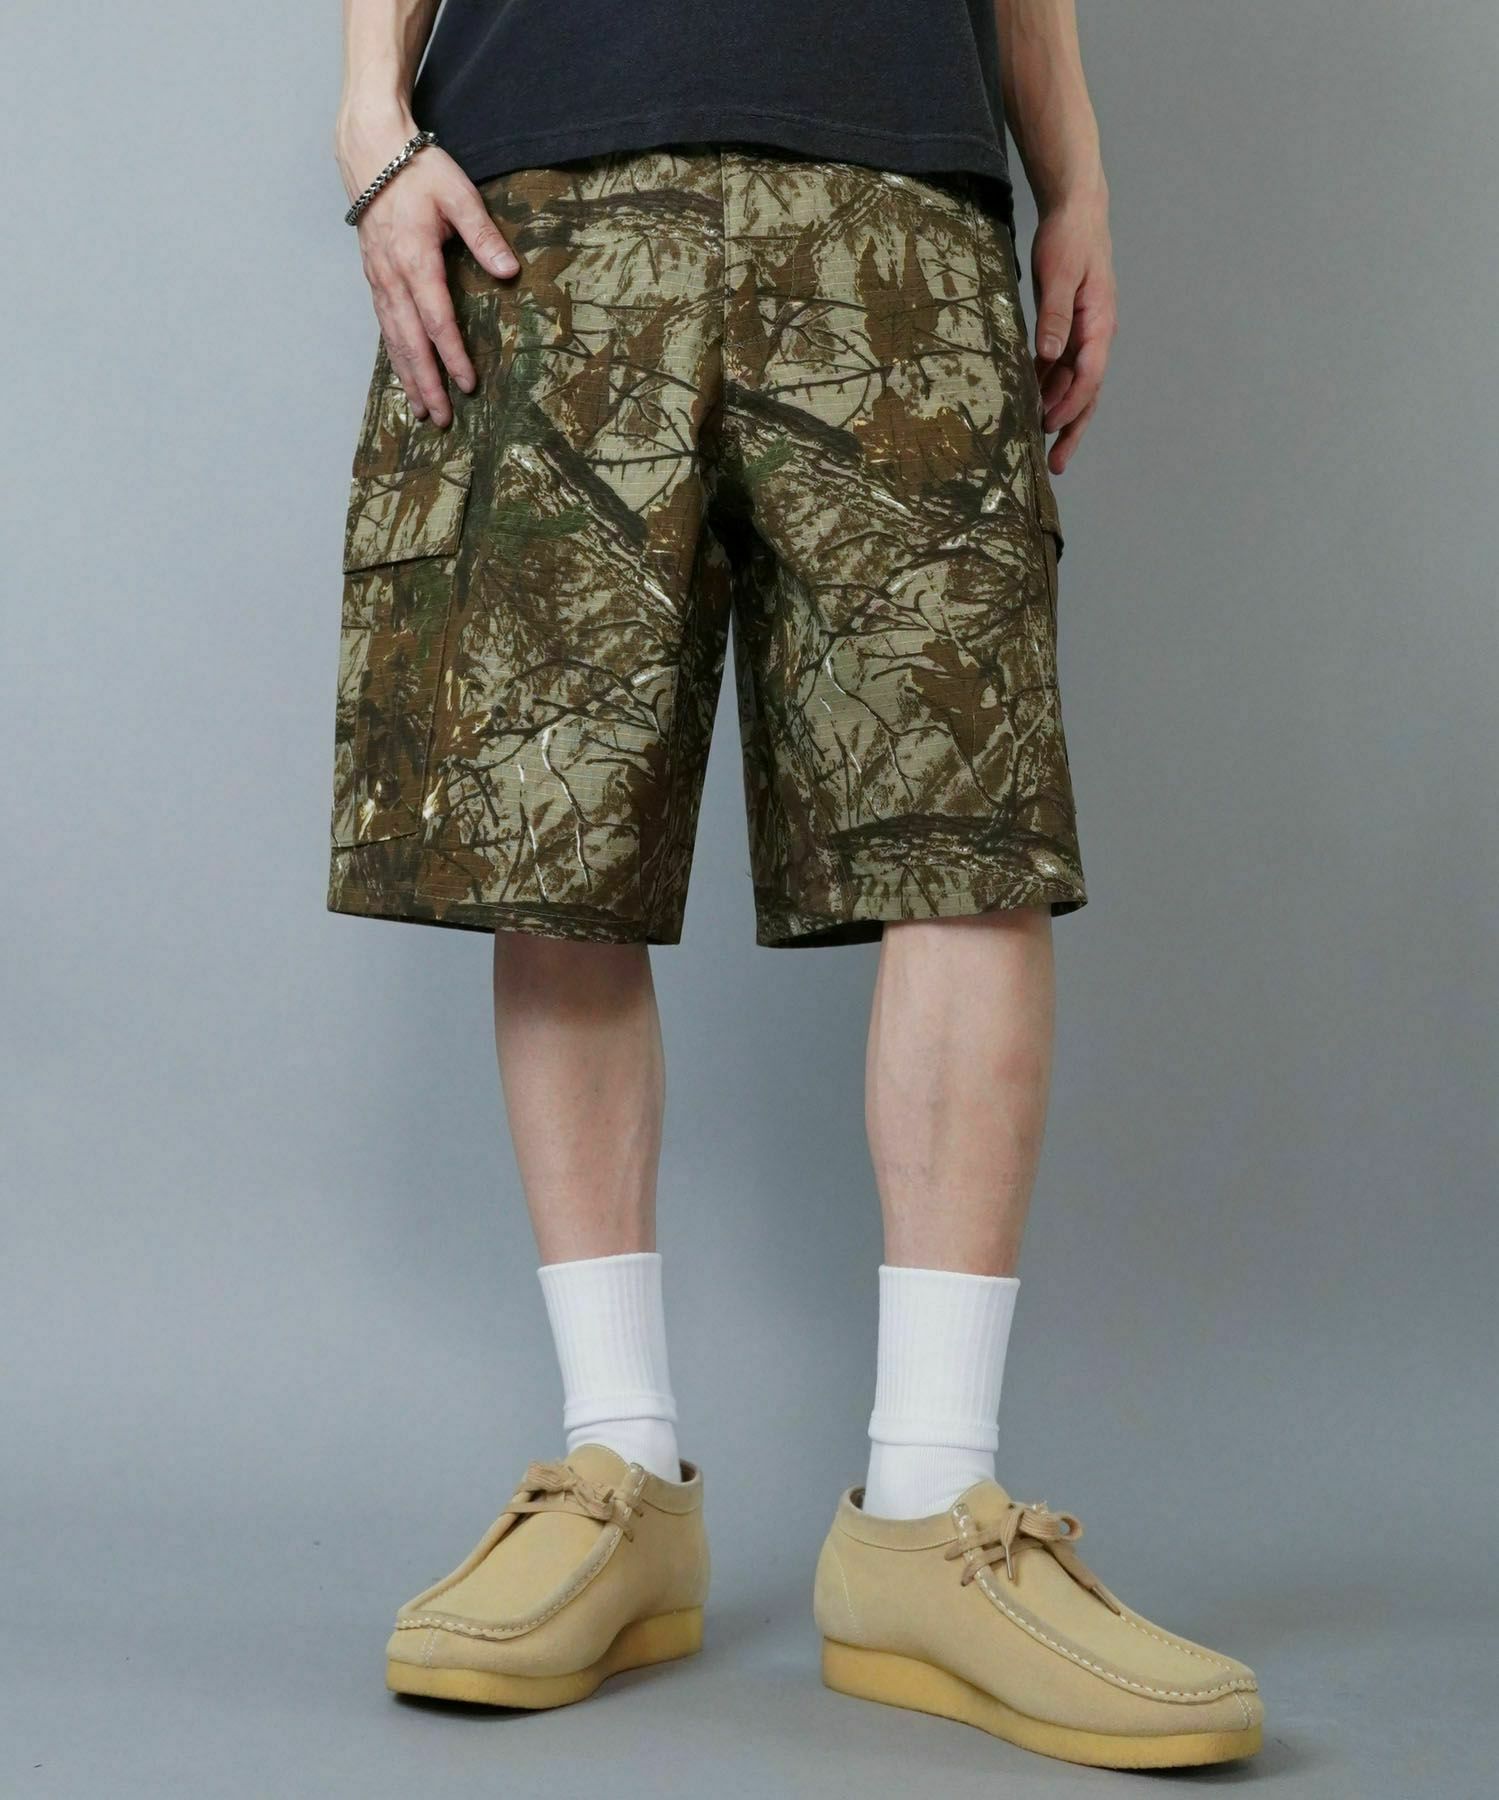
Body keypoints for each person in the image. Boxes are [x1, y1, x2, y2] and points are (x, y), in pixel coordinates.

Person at [329, 0, 1262, 1769]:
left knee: (966, 832)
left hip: (902, 193)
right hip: (542, 195)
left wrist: (1074, 173)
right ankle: (615, 1470)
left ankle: (929, 1509)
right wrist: (371, 122)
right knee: (553, 848)